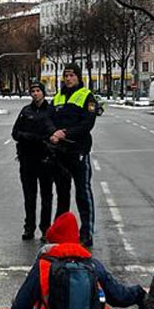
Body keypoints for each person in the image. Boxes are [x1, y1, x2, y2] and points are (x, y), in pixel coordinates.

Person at [0, 212, 143, 309]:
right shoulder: (92, 265)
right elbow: (119, 296)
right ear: (76, 239)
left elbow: (21, 307)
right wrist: (139, 294)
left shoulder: (43, 266)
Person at [51, 63, 98, 246]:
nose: (68, 79)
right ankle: (60, 231)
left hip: (78, 151)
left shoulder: (87, 96)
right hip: (60, 153)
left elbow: (87, 124)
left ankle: (86, 232)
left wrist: (65, 133)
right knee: (62, 194)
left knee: (83, 193)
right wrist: (52, 134)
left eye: (72, 75)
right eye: (66, 76)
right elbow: (50, 119)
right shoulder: (57, 97)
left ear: (78, 77)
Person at [11, 81, 56, 240]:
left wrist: (43, 140)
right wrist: (26, 137)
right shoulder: (25, 111)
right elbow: (15, 132)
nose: (35, 93)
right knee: (29, 196)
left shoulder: (51, 111)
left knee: (46, 196)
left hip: (45, 160)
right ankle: (29, 227)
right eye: (33, 91)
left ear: (43, 93)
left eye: (38, 90)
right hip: (27, 159)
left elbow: (54, 134)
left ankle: (45, 229)